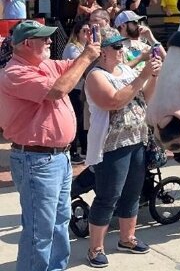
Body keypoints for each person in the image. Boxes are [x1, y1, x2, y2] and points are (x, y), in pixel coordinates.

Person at [0, 20, 100, 271]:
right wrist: (86, 56)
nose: (49, 42)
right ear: (26, 44)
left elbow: (76, 68)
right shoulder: (15, 72)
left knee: (58, 223)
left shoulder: (45, 64)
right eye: (44, 38)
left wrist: (94, 48)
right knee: (40, 231)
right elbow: (59, 89)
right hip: (37, 160)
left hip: (57, 159)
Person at [84, 27, 161, 267]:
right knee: (108, 196)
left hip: (136, 138)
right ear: (103, 52)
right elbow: (112, 101)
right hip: (111, 144)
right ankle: (95, 248)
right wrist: (142, 76)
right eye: (117, 47)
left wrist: (153, 77)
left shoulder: (126, 69)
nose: (122, 50)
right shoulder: (96, 76)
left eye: (122, 46)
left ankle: (127, 238)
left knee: (133, 193)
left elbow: (145, 97)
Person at [62, 20, 92, 165]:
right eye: (84, 31)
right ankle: (73, 151)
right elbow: (82, 67)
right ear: (77, 33)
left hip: (84, 88)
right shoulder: (73, 48)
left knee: (84, 120)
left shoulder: (85, 47)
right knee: (77, 120)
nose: (87, 34)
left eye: (89, 31)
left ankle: (84, 149)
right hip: (75, 88)